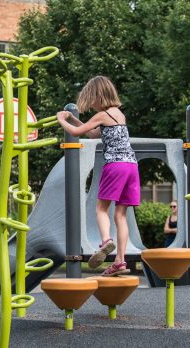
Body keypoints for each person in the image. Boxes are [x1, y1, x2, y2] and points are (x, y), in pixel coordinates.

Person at [57, 76, 139, 276]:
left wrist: (61, 120)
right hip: (131, 166)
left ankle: (105, 241)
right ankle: (120, 261)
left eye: (92, 100)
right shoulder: (118, 114)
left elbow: (76, 133)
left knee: (101, 209)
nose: (92, 105)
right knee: (121, 215)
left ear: (99, 97)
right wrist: (74, 118)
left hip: (115, 166)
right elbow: (94, 134)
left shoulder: (102, 114)